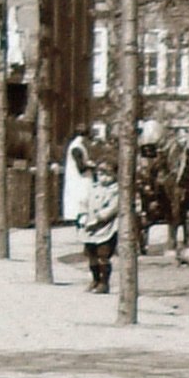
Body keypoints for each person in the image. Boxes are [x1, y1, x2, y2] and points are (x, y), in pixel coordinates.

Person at [65, 122, 118, 293]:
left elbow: (113, 207)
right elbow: (85, 202)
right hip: (91, 227)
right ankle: (95, 279)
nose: (103, 178)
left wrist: (101, 216)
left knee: (103, 256)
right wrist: (82, 215)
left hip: (105, 227)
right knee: (91, 256)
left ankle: (104, 282)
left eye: (107, 175)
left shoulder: (115, 190)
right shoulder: (93, 187)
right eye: (101, 174)